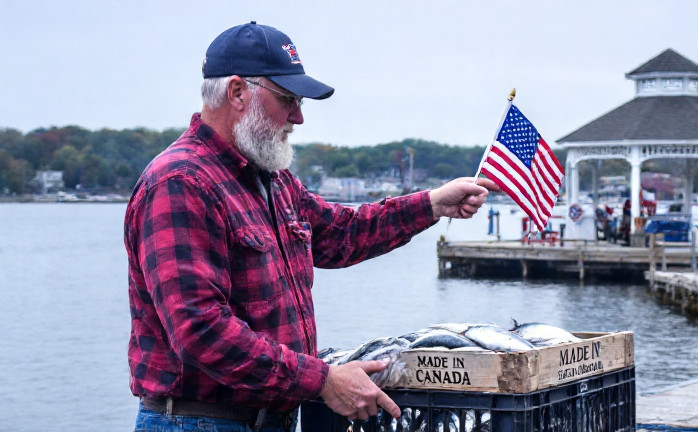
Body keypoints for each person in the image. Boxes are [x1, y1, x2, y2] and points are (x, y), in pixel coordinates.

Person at [124, 21, 498, 432]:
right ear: (237, 92)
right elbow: (200, 330)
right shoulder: (180, 183)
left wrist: (432, 204)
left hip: (271, 419)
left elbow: (342, 234)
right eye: (288, 99)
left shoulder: (272, 179)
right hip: (198, 422)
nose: (298, 117)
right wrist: (323, 381)